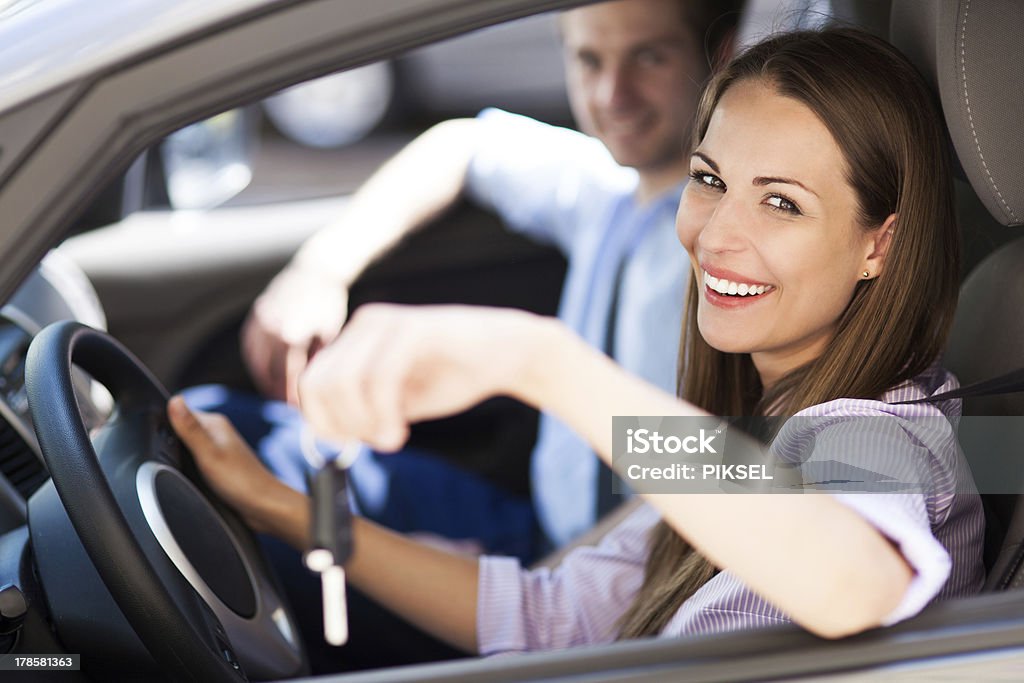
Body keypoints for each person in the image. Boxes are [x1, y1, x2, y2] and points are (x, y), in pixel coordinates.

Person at [170, 27, 984, 655]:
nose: (715, 237)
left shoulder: (894, 432)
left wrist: (542, 362)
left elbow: (857, 584)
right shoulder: (746, 441)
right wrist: (285, 511)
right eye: (710, 181)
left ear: (879, 243)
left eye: (781, 204)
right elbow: (547, 614)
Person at [190, 0, 743, 564]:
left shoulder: (736, 247)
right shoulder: (602, 189)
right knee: (218, 429)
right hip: (536, 530)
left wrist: (555, 582)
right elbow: (465, 145)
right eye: (589, 60)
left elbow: (750, 472)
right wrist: (319, 269)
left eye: (649, 57)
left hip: (621, 573)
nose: (611, 95)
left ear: (719, 55)